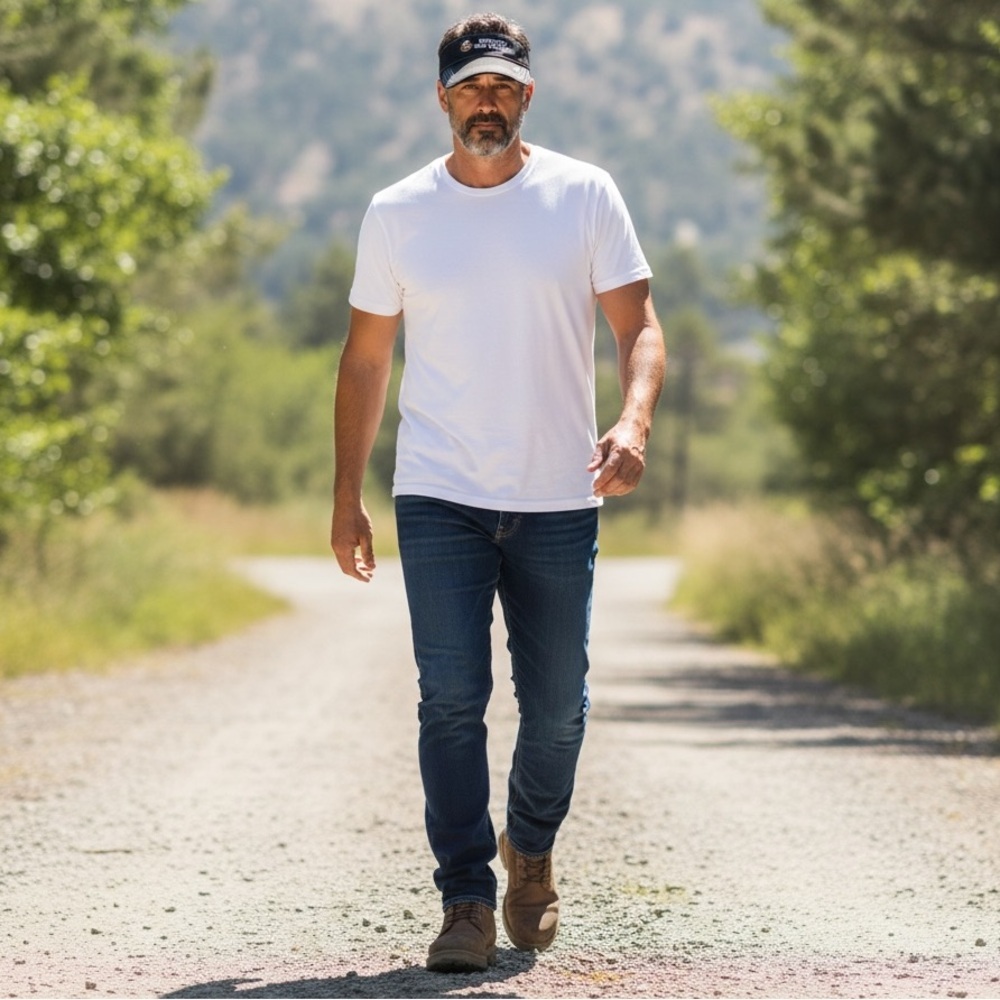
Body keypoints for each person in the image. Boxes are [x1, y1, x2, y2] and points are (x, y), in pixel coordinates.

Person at [330, 12, 666, 974]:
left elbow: (641, 330)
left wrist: (633, 421)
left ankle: (532, 847)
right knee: (450, 699)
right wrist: (347, 496)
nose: (488, 101)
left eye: (503, 87)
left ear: (528, 95)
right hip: (438, 493)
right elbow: (364, 363)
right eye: (471, 87)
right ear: (442, 98)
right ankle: (467, 899)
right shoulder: (397, 212)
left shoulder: (585, 196)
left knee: (558, 706)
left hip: (561, 493)